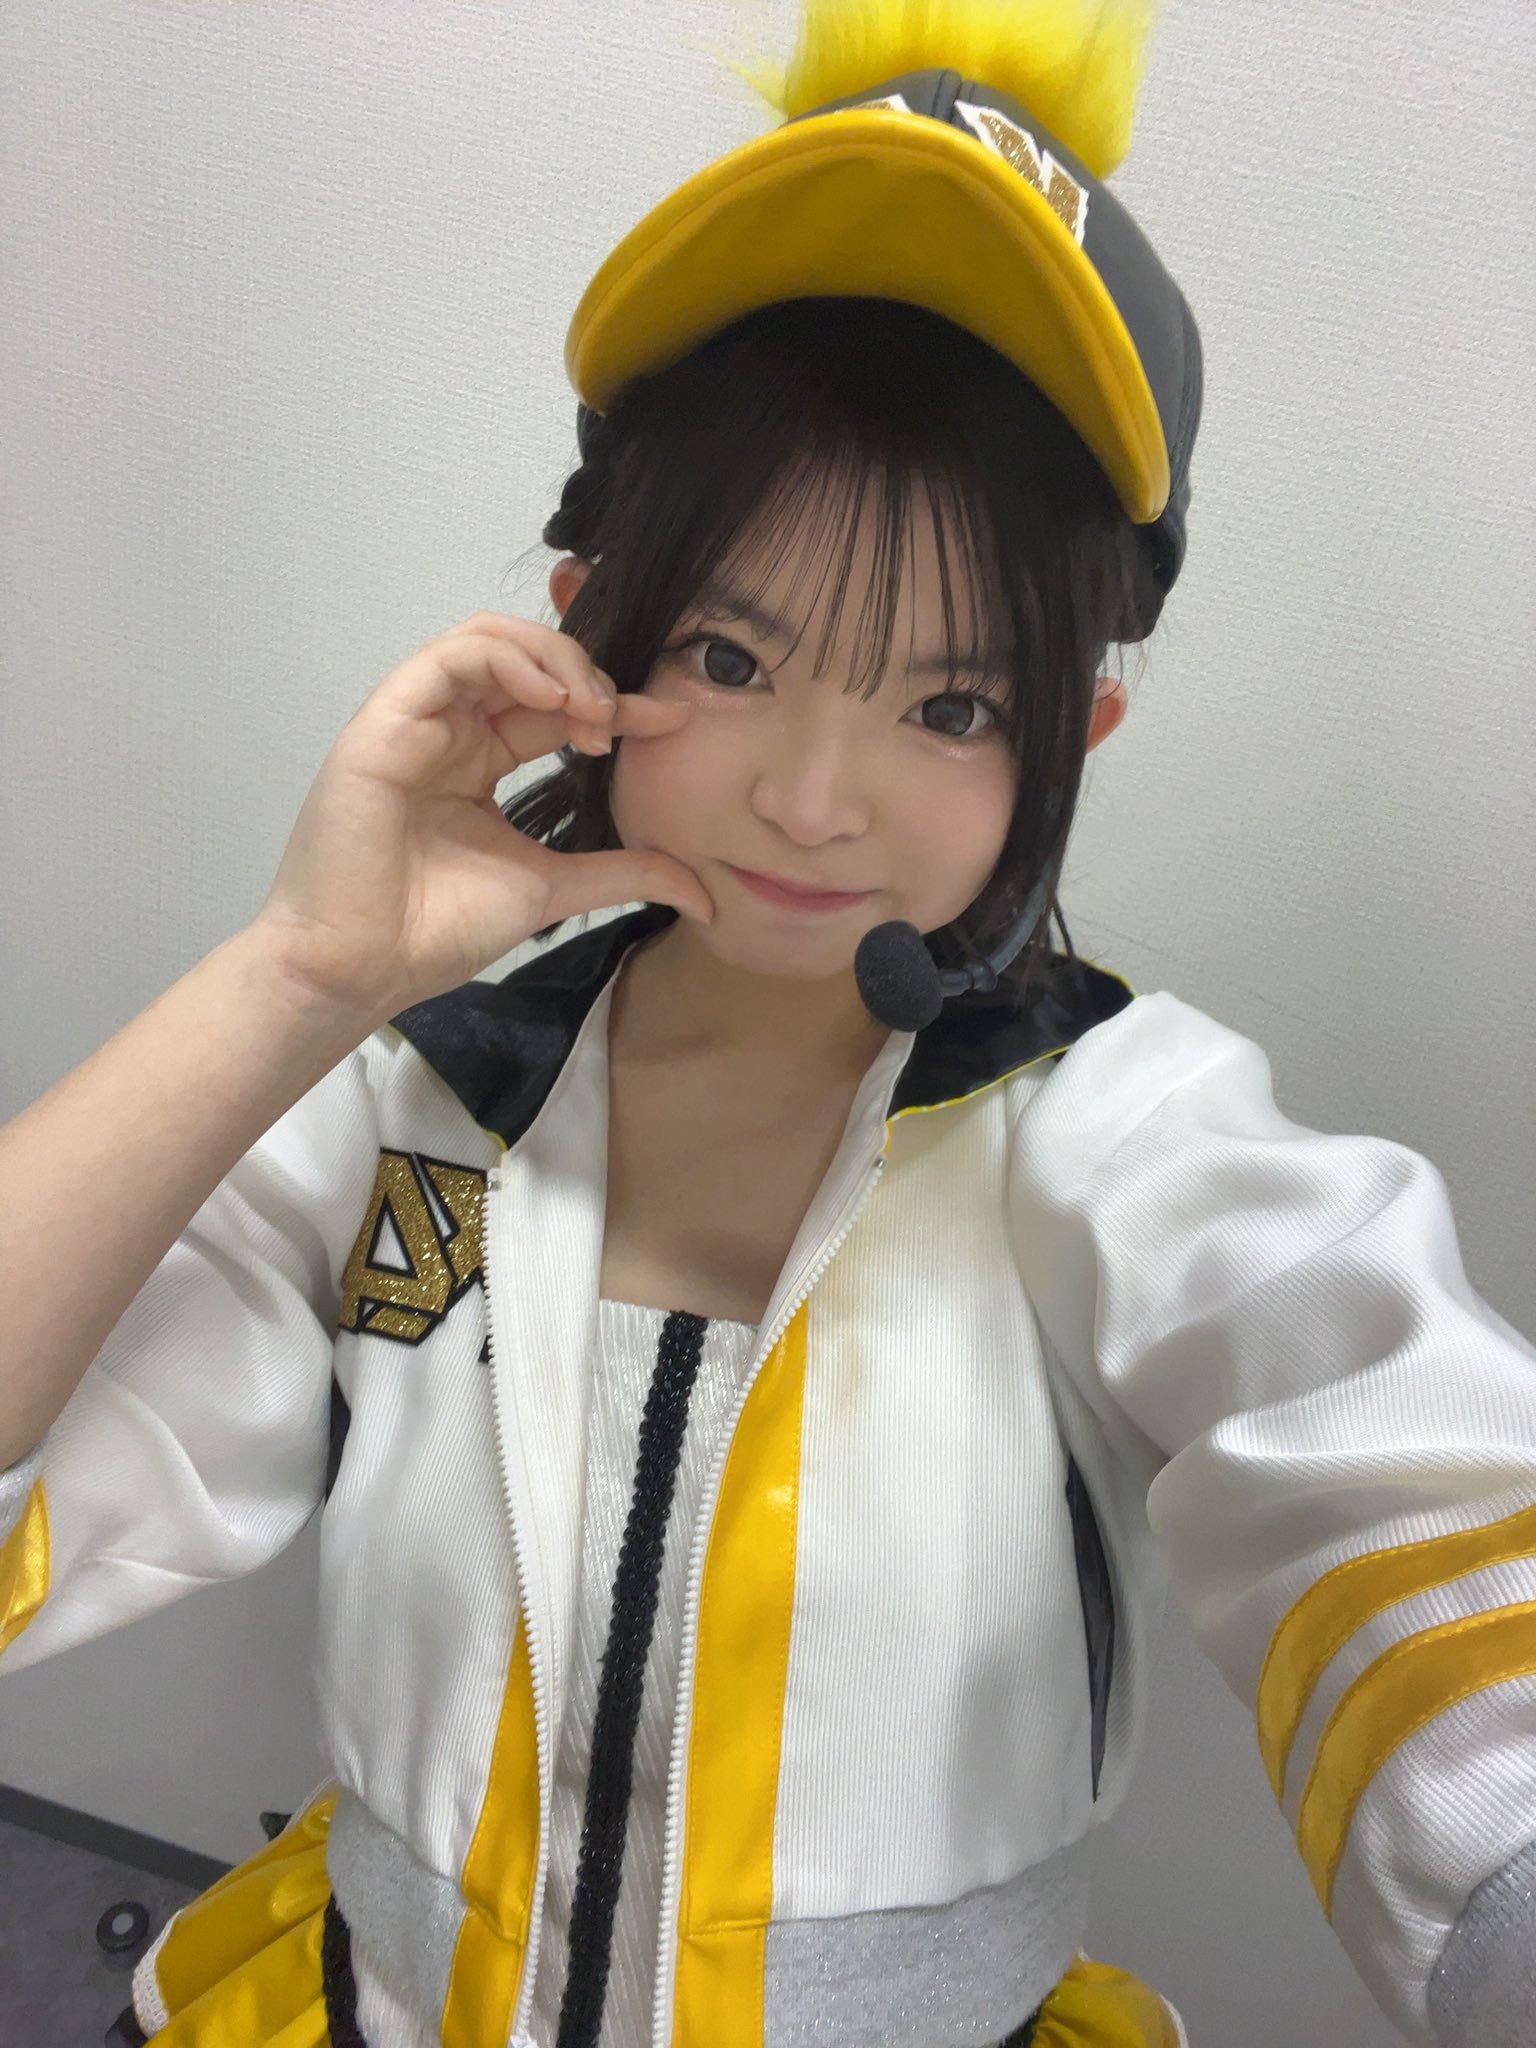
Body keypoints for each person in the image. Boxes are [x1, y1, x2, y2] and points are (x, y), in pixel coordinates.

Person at [1, 4, 1532, 2046]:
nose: (816, 798)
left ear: (1071, 735)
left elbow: (1405, 1497)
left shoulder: (1121, 1136)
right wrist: (300, 969)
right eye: (732, 656)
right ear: (587, 631)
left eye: (950, 703)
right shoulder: (425, 1098)